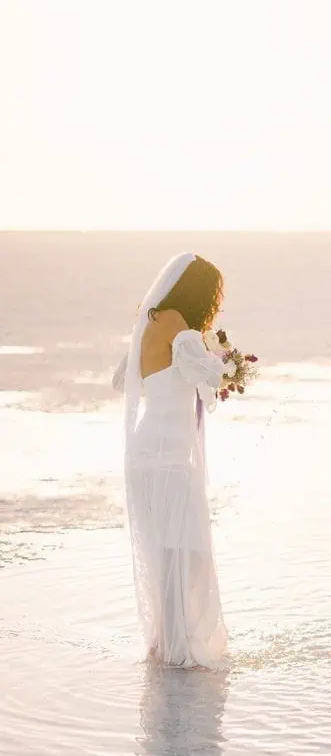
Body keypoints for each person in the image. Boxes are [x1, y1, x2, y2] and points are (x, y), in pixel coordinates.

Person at [114, 253, 229, 668]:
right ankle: (178, 649)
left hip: (147, 454)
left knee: (169, 554)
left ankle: (165, 642)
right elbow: (208, 376)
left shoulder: (147, 324)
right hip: (167, 456)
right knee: (186, 553)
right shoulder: (177, 322)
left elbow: (121, 379)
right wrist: (224, 362)